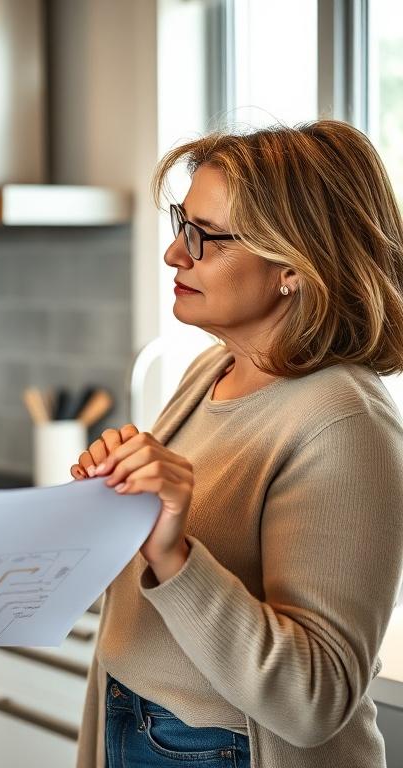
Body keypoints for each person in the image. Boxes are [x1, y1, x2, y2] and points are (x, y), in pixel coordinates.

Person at [71, 120, 403, 767]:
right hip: (131, 722)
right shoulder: (212, 370)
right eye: (179, 223)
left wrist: (174, 553)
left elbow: (314, 700)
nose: (175, 254)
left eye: (204, 238)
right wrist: (112, 504)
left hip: (220, 750)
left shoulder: (343, 421)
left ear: (292, 266)